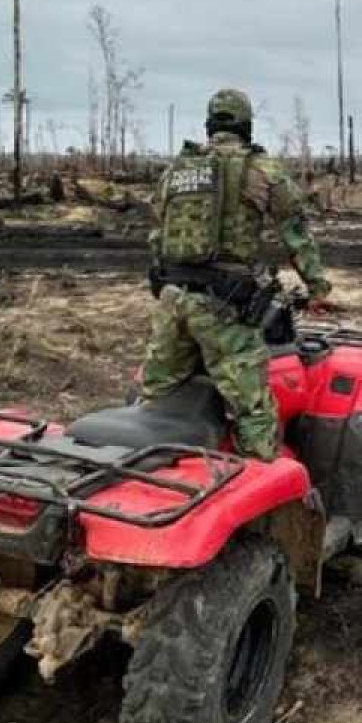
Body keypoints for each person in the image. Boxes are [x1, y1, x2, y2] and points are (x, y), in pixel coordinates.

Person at [140, 88, 332, 459]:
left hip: (172, 300)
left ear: (210, 125)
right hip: (224, 307)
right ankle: (266, 506)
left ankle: (151, 477)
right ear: (246, 126)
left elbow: (157, 232)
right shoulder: (261, 171)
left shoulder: (177, 171)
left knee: (159, 398)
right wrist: (318, 286)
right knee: (254, 410)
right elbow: (295, 232)